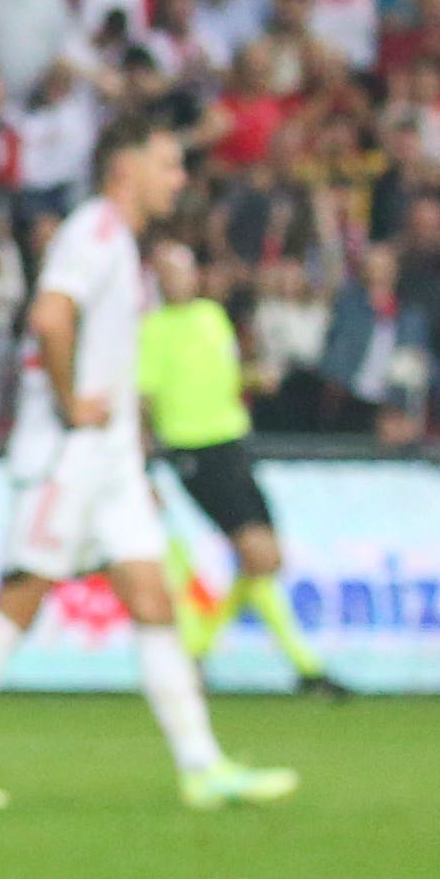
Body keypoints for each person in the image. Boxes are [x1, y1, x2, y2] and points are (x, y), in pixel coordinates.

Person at [0, 115, 298, 812]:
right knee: (21, 596)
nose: (178, 180)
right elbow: (50, 317)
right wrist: (69, 401)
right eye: (168, 165)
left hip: (109, 459)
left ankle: (201, 766)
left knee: (151, 596)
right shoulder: (95, 232)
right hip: (66, 454)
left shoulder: (122, 246)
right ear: (126, 168)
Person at [141, 240, 347, 698]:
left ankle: (197, 648)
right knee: (257, 555)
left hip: (232, 444)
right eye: (167, 272)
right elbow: (143, 401)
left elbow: (226, 376)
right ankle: (305, 668)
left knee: (267, 559)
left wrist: (254, 378)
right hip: (192, 450)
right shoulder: (152, 331)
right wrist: (144, 468)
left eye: (183, 269)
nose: (176, 279)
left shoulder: (213, 319)